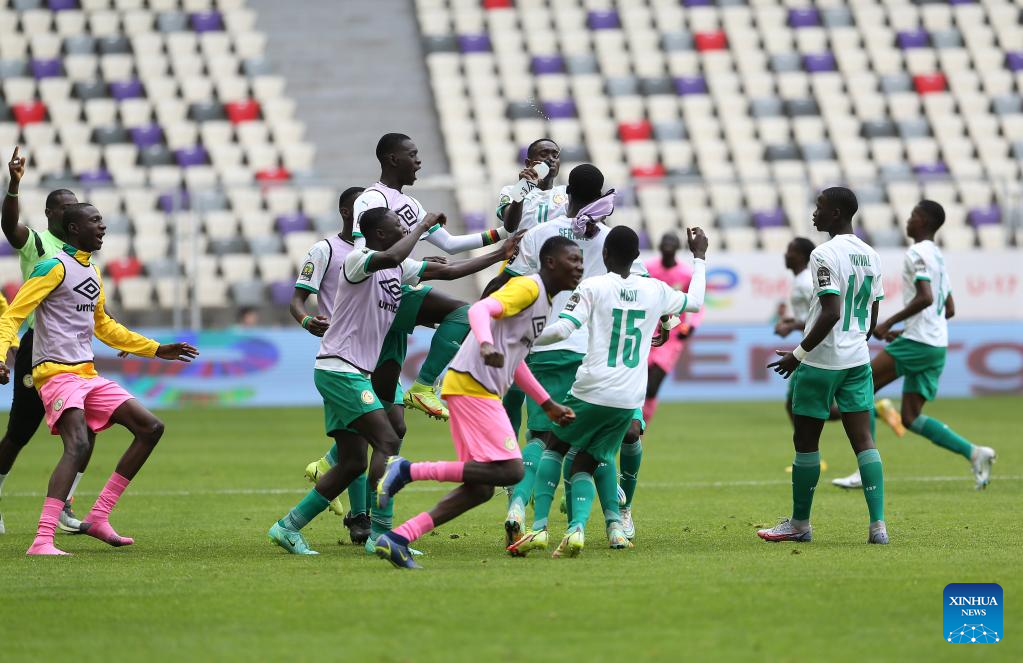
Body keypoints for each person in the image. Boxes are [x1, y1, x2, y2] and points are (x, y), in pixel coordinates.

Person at [267, 207, 520, 555]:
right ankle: (381, 534)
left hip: (350, 370)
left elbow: (449, 270)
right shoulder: (357, 261)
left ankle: (287, 527)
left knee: (353, 462)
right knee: (387, 439)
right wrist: (424, 225)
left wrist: (500, 254)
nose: (405, 230)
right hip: (341, 369)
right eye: (398, 227)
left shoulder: (398, 268)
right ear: (380, 234)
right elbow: (392, 256)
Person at [0, 202, 199, 555]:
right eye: (95, 221)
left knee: (150, 428)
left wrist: (155, 349)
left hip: (86, 374)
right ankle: (43, 539)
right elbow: (13, 315)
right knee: (77, 444)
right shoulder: (52, 267)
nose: (103, 226)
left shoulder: (92, 271)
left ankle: (99, 516)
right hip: (55, 373)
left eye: (102, 221)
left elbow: (104, 326)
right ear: (74, 229)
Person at [373, 236, 583, 568]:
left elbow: (516, 360)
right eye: (573, 260)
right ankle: (407, 470)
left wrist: (546, 404)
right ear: (551, 262)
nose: (580, 267)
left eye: (581, 261)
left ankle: (398, 538)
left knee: (480, 489)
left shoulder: (543, 303)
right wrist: (485, 343)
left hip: (476, 388)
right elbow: (480, 309)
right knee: (511, 469)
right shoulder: (528, 288)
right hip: (473, 386)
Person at [508, 225, 707, 557]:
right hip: (628, 400)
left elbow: (563, 329)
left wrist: (525, 338)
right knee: (586, 462)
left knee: (554, 447)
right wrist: (699, 257)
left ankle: (540, 528)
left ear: (604, 255)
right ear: (638, 256)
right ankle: (579, 529)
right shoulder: (656, 290)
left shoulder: (593, 286)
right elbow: (696, 302)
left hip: (590, 389)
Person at [500, 163, 647, 549]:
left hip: (545, 345)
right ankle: (617, 521)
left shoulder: (540, 234)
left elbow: (514, 284)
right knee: (602, 441)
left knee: (543, 437)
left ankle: (519, 506)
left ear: (566, 194)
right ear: (601, 196)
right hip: (597, 352)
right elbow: (640, 283)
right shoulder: (611, 237)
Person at [831, 201, 996, 490]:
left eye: (913, 216)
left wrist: (888, 323)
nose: (907, 221)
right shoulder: (938, 257)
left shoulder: (916, 253)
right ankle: (974, 452)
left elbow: (926, 297)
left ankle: (864, 470)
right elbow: (949, 308)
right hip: (936, 345)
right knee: (910, 417)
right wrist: (908, 330)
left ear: (924, 221)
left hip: (919, 343)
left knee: (861, 389)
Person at [759, 187, 889, 545]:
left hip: (820, 362)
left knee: (805, 442)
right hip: (857, 360)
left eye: (819, 208)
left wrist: (798, 354)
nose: (814, 214)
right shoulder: (872, 255)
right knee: (864, 441)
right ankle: (878, 526)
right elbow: (873, 314)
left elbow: (830, 312)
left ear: (835, 213)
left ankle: (800, 524)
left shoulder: (824, 254)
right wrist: (855, 341)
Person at [352, 133, 511, 421]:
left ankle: (336, 458)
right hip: (376, 295)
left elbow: (449, 244)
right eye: (412, 155)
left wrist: (502, 233)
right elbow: (363, 250)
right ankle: (425, 385)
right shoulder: (372, 199)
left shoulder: (411, 204)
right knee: (463, 313)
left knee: (387, 415)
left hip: (395, 292)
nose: (419, 161)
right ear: (393, 159)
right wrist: (412, 267)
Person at [0, 146, 84, 535]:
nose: (72, 212)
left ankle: (65, 504)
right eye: (65, 207)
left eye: (75, 207)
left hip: (74, 349)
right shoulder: (36, 242)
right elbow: (9, 226)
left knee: (89, 428)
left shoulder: (81, 252)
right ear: (51, 213)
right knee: (20, 433)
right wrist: (14, 185)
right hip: (39, 348)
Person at [290, 186, 373, 544]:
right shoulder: (325, 250)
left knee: (378, 432)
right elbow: (297, 299)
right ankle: (362, 517)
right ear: (345, 212)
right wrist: (307, 320)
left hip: (375, 352)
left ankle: (325, 466)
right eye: (360, 207)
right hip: (341, 355)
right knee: (370, 435)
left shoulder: (379, 253)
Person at [490, 138, 568, 443]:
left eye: (555, 154)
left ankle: (540, 438)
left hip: (556, 289)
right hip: (518, 281)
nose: (550, 159)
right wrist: (523, 189)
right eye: (543, 154)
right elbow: (510, 226)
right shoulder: (511, 192)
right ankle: (507, 451)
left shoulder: (568, 195)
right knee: (512, 380)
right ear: (529, 162)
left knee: (542, 366)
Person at [774, 237, 840, 424]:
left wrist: (792, 326)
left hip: (818, 350)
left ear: (802, 256)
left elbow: (825, 315)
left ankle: (873, 411)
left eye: (791, 251)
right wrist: (790, 322)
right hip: (814, 348)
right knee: (802, 405)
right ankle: (873, 410)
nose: (786, 255)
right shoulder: (800, 280)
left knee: (797, 405)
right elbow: (812, 315)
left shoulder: (806, 282)